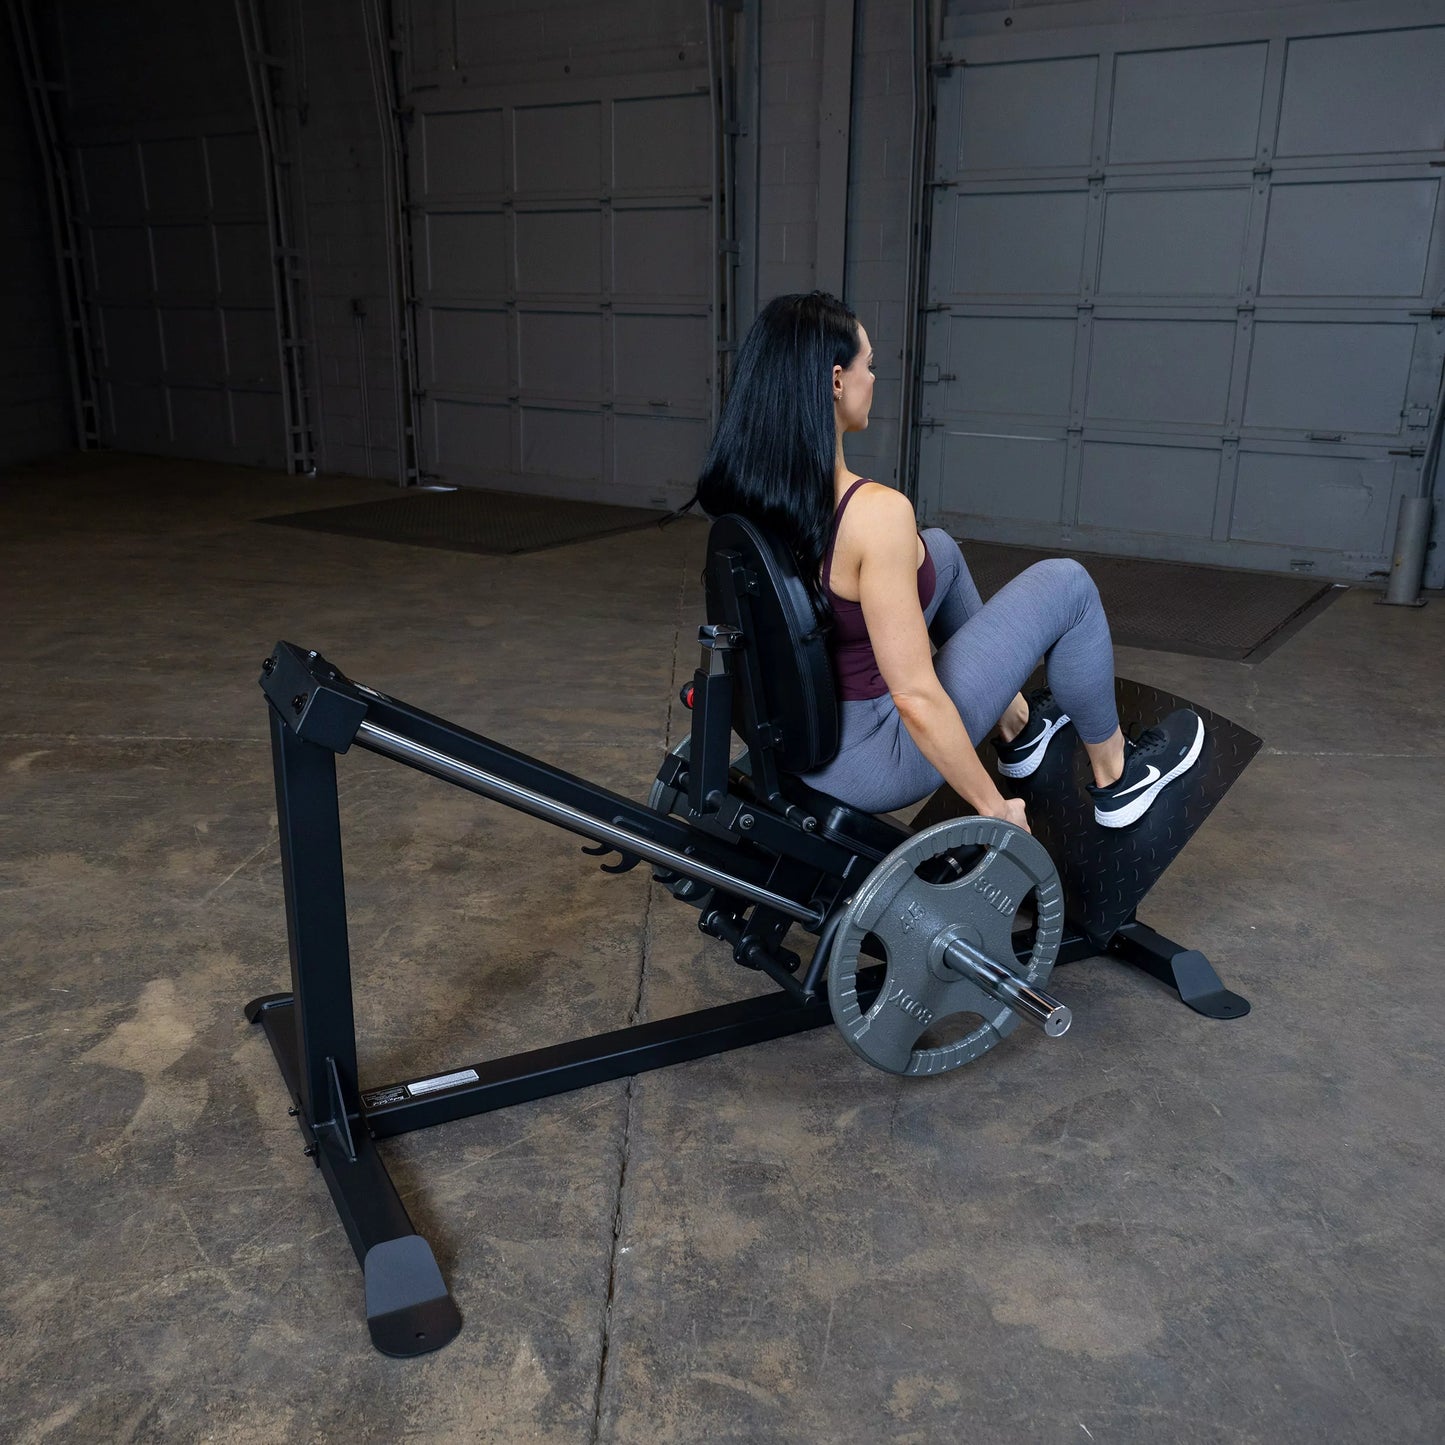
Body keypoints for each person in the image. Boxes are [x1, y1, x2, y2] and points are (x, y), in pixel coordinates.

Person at [694, 292, 1203, 831]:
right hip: (875, 755)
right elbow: (913, 697)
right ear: (836, 381)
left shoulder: (754, 494)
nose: (874, 379)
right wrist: (994, 808)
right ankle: (1118, 778)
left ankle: (1017, 726)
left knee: (937, 549)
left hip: (798, 739)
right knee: (1068, 585)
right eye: (870, 365)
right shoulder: (874, 515)